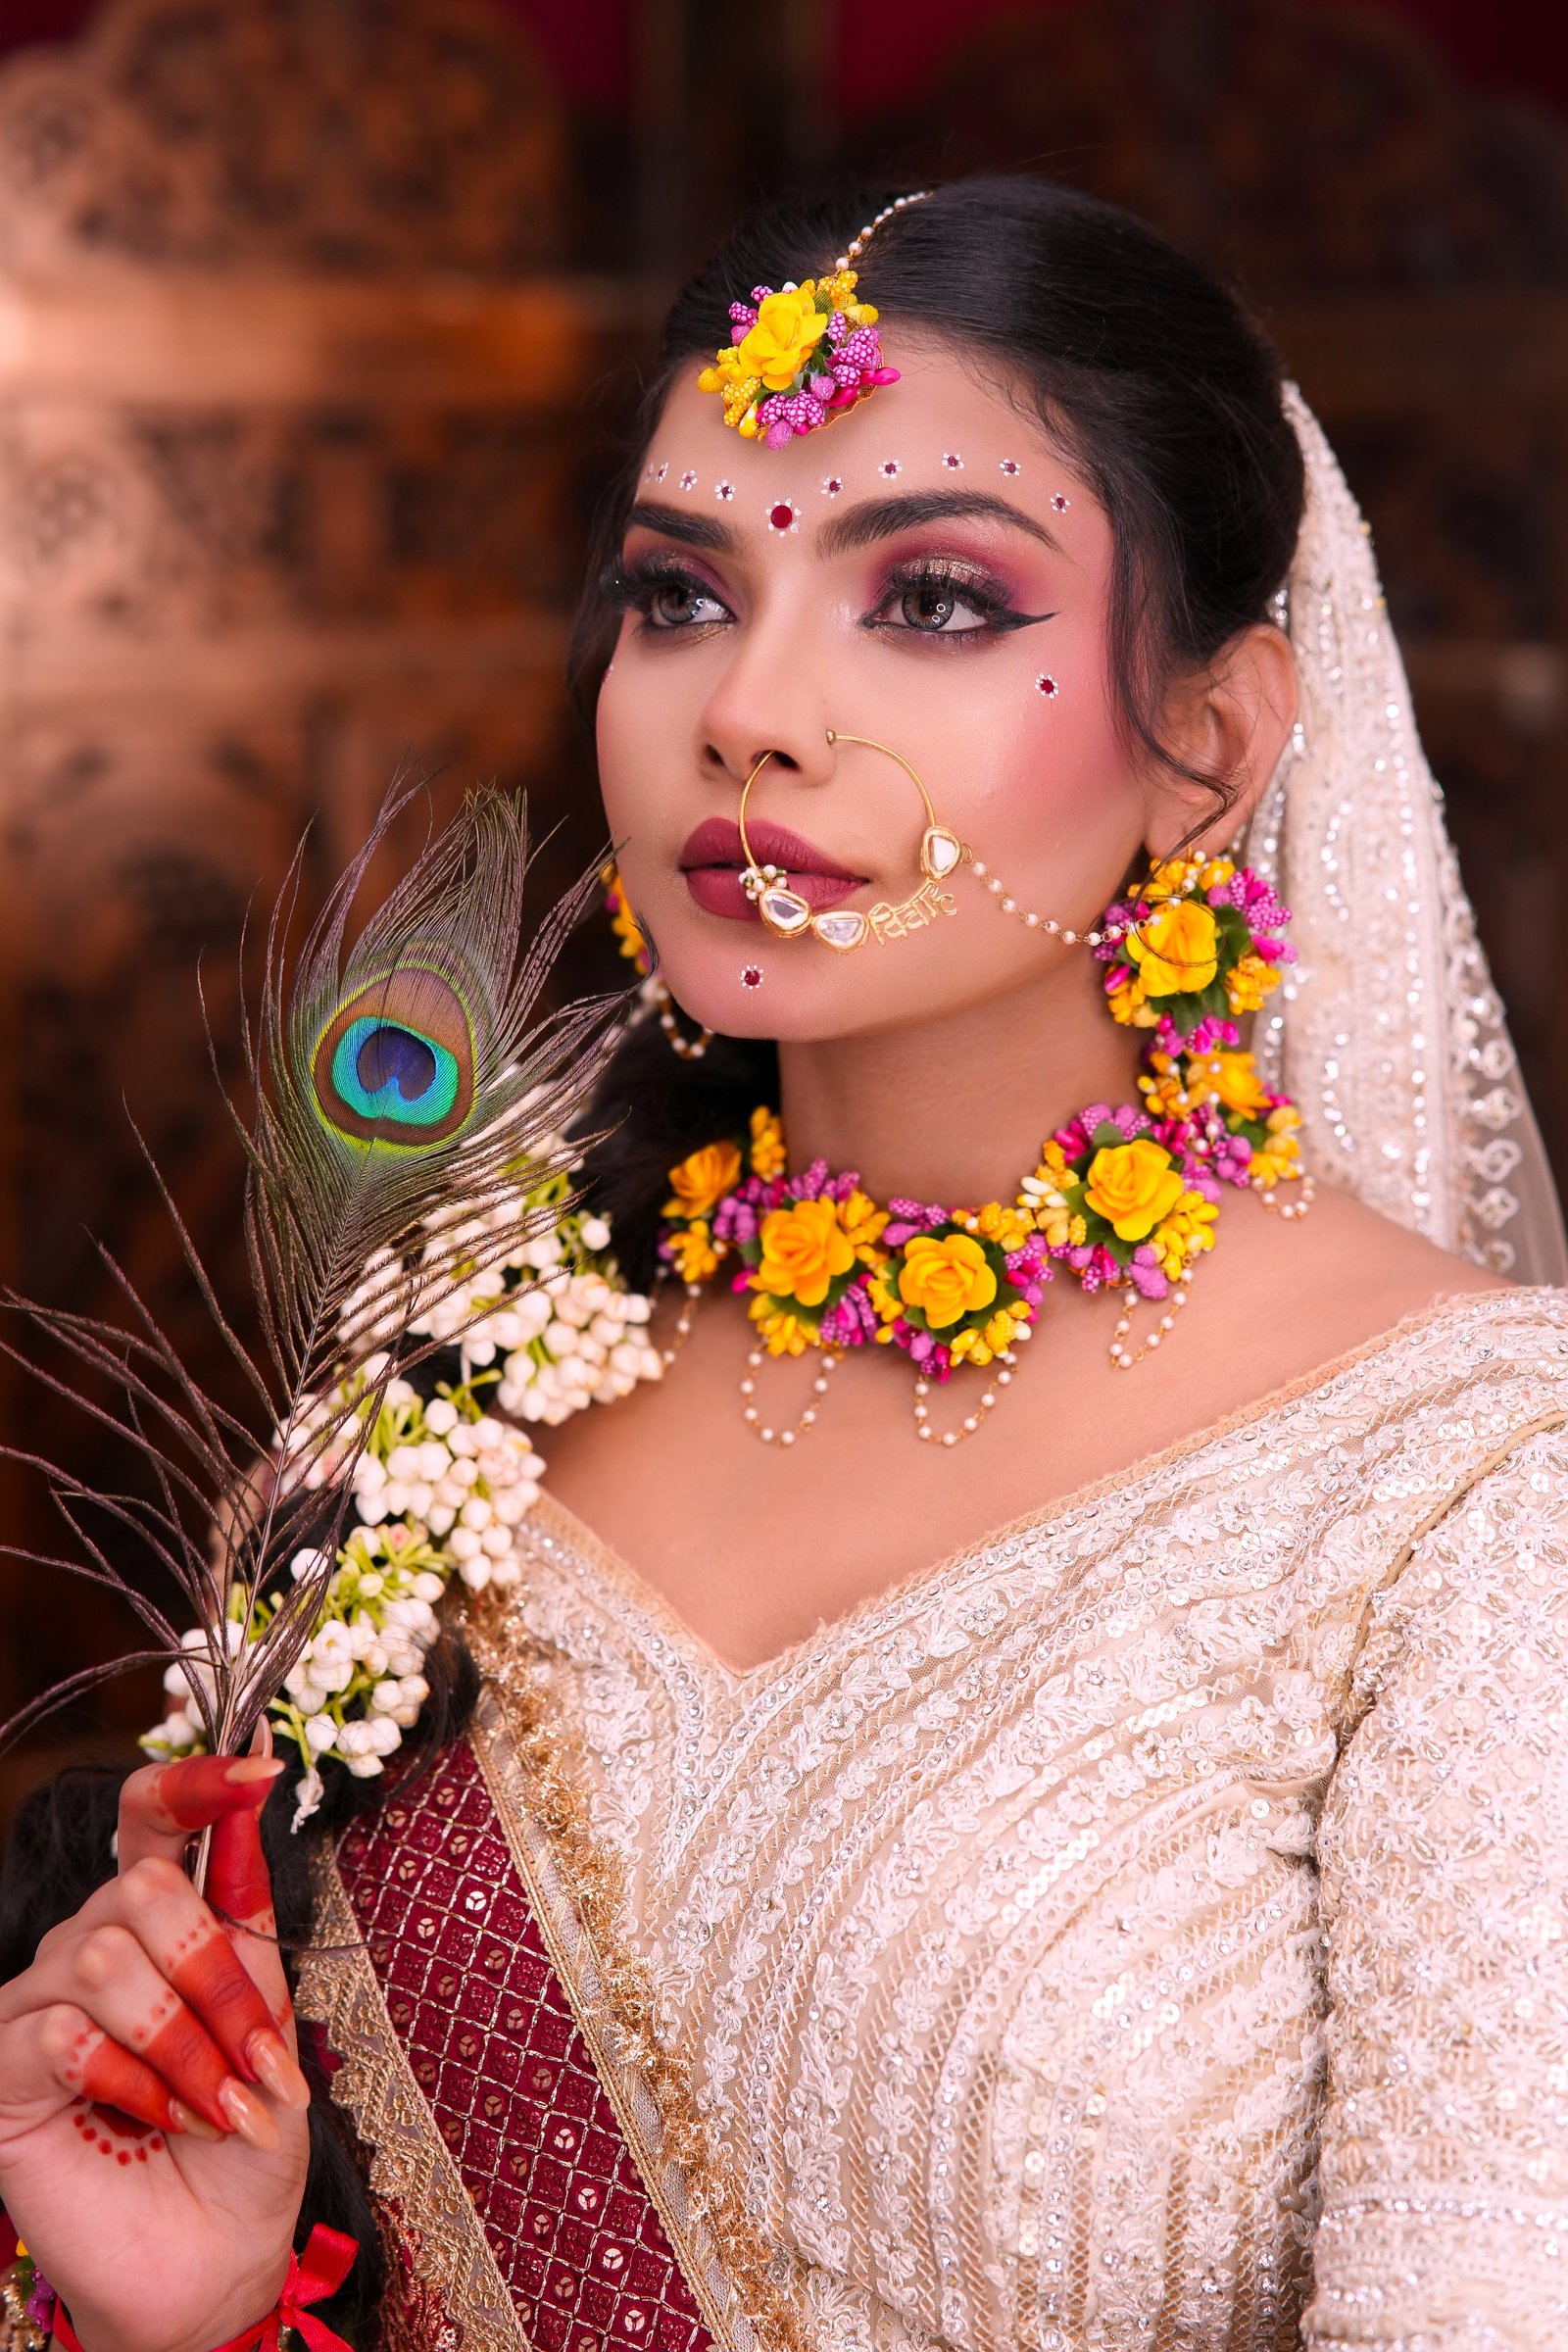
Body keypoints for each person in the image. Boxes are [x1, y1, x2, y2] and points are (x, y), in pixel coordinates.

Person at [2, 173, 1567, 2352]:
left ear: (1210, 744)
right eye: (677, 594)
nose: (746, 708)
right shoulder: (455, 1364)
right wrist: (189, 2315)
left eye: (930, 598)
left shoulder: (1467, 1492)